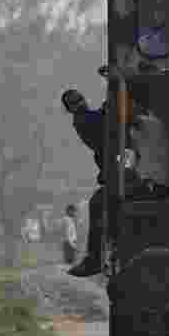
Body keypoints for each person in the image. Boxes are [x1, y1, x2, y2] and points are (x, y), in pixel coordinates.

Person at [62, 89, 106, 277]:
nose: (81, 102)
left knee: (97, 204)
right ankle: (95, 257)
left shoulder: (85, 119)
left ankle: (95, 258)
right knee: (96, 204)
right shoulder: (83, 121)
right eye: (76, 101)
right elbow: (102, 121)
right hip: (116, 168)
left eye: (80, 98)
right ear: (70, 109)